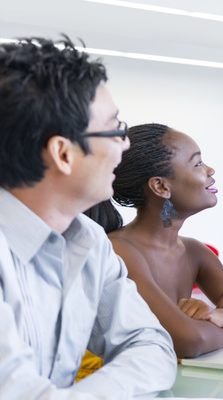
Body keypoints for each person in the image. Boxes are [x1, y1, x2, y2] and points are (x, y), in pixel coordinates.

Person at [0, 36, 176, 398]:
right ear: (63, 153)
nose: (125, 144)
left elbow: (151, 345)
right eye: (115, 129)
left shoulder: (88, 239)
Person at [86, 123, 223, 358]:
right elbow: (189, 342)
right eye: (197, 163)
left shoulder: (194, 251)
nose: (210, 170)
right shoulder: (119, 251)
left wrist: (216, 315)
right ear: (161, 186)